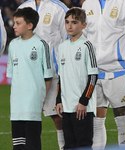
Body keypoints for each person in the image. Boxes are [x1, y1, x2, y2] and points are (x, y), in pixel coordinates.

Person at [82, 0, 125, 148]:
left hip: (117, 69)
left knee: (123, 121)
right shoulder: (87, 3)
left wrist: (121, 54)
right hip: (93, 71)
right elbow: (84, 35)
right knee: (96, 122)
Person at [19, 1, 69, 149]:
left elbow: (68, 38)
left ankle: (63, 147)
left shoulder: (59, 8)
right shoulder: (23, 7)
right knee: (27, 119)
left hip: (52, 73)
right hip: (28, 74)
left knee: (58, 117)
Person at [6, 7, 54, 150]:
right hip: (16, 104)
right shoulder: (13, 45)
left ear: (30, 25)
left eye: (18, 23)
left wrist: (42, 97)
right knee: (18, 145)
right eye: (14, 22)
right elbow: (12, 75)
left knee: (32, 145)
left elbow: (48, 76)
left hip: (32, 103)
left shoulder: (41, 45)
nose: (14, 26)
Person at [56, 7, 98, 149]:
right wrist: (59, 100)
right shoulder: (62, 47)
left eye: (74, 22)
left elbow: (93, 76)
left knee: (83, 145)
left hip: (82, 107)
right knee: (69, 146)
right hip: (66, 107)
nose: (69, 26)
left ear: (84, 25)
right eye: (67, 22)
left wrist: (84, 101)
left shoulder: (87, 46)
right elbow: (60, 77)